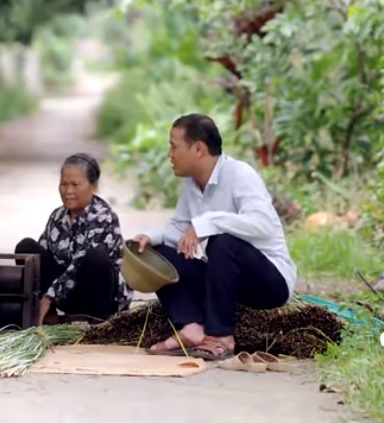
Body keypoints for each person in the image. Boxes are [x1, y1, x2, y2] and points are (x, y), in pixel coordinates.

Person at [131, 114, 297, 361]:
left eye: (174, 146)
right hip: (224, 278)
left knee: (223, 242)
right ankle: (191, 328)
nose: (169, 154)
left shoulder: (240, 174)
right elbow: (178, 230)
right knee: (161, 254)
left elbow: (263, 225)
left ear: (198, 148)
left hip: (269, 281)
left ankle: (221, 336)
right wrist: (149, 238)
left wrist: (207, 224)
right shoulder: (190, 184)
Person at [15, 153, 133, 325]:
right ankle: (48, 315)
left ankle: (98, 321)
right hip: (66, 294)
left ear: (94, 186)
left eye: (75, 185)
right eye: (64, 184)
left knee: (96, 257)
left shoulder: (103, 216)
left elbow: (79, 265)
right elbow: (41, 259)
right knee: (26, 248)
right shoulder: (57, 216)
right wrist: (40, 296)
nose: (68, 191)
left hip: (98, 295)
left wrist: (48, 298)